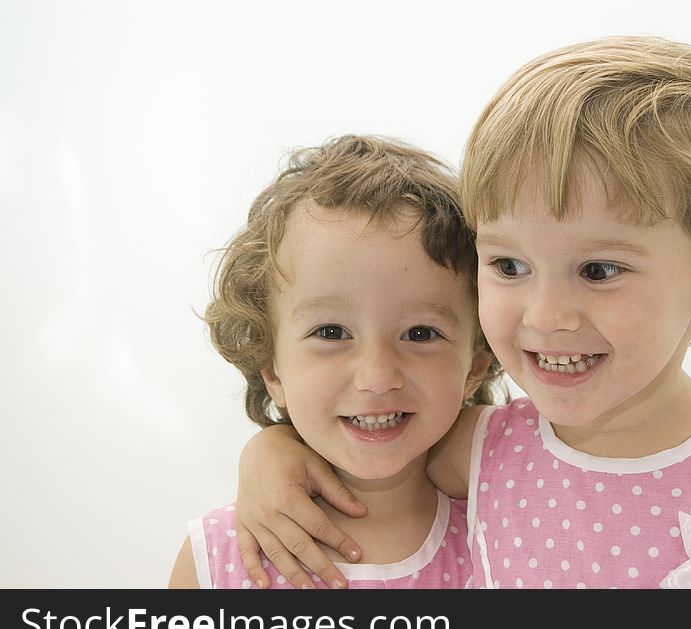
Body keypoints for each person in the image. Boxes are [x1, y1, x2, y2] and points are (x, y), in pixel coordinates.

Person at [231, 37, 691, 588]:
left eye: (599, 270)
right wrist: (270, 451)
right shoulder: (480, 448)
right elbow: (371, 433)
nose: (549, 313)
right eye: (509, 266)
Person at [168, 134, 503, 589]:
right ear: (272, 369)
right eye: (331, 333)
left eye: (420, 334)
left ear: (476, 364)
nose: (378, 376)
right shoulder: (216, 557)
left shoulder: (513, 531)